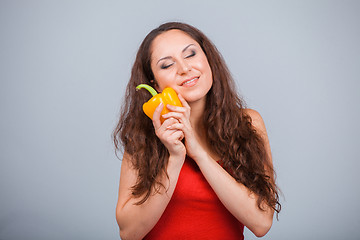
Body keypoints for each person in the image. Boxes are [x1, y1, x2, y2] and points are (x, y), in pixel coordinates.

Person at [112, 22, 281, 240]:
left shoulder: (248, 122)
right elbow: (129, 233)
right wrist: (175, 157)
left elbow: (261, 223)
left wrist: (198, 153)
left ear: (207, 58)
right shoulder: (142, 137)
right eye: (167, 65)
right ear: (155, 83)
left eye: (190, 54)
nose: (184, 68)